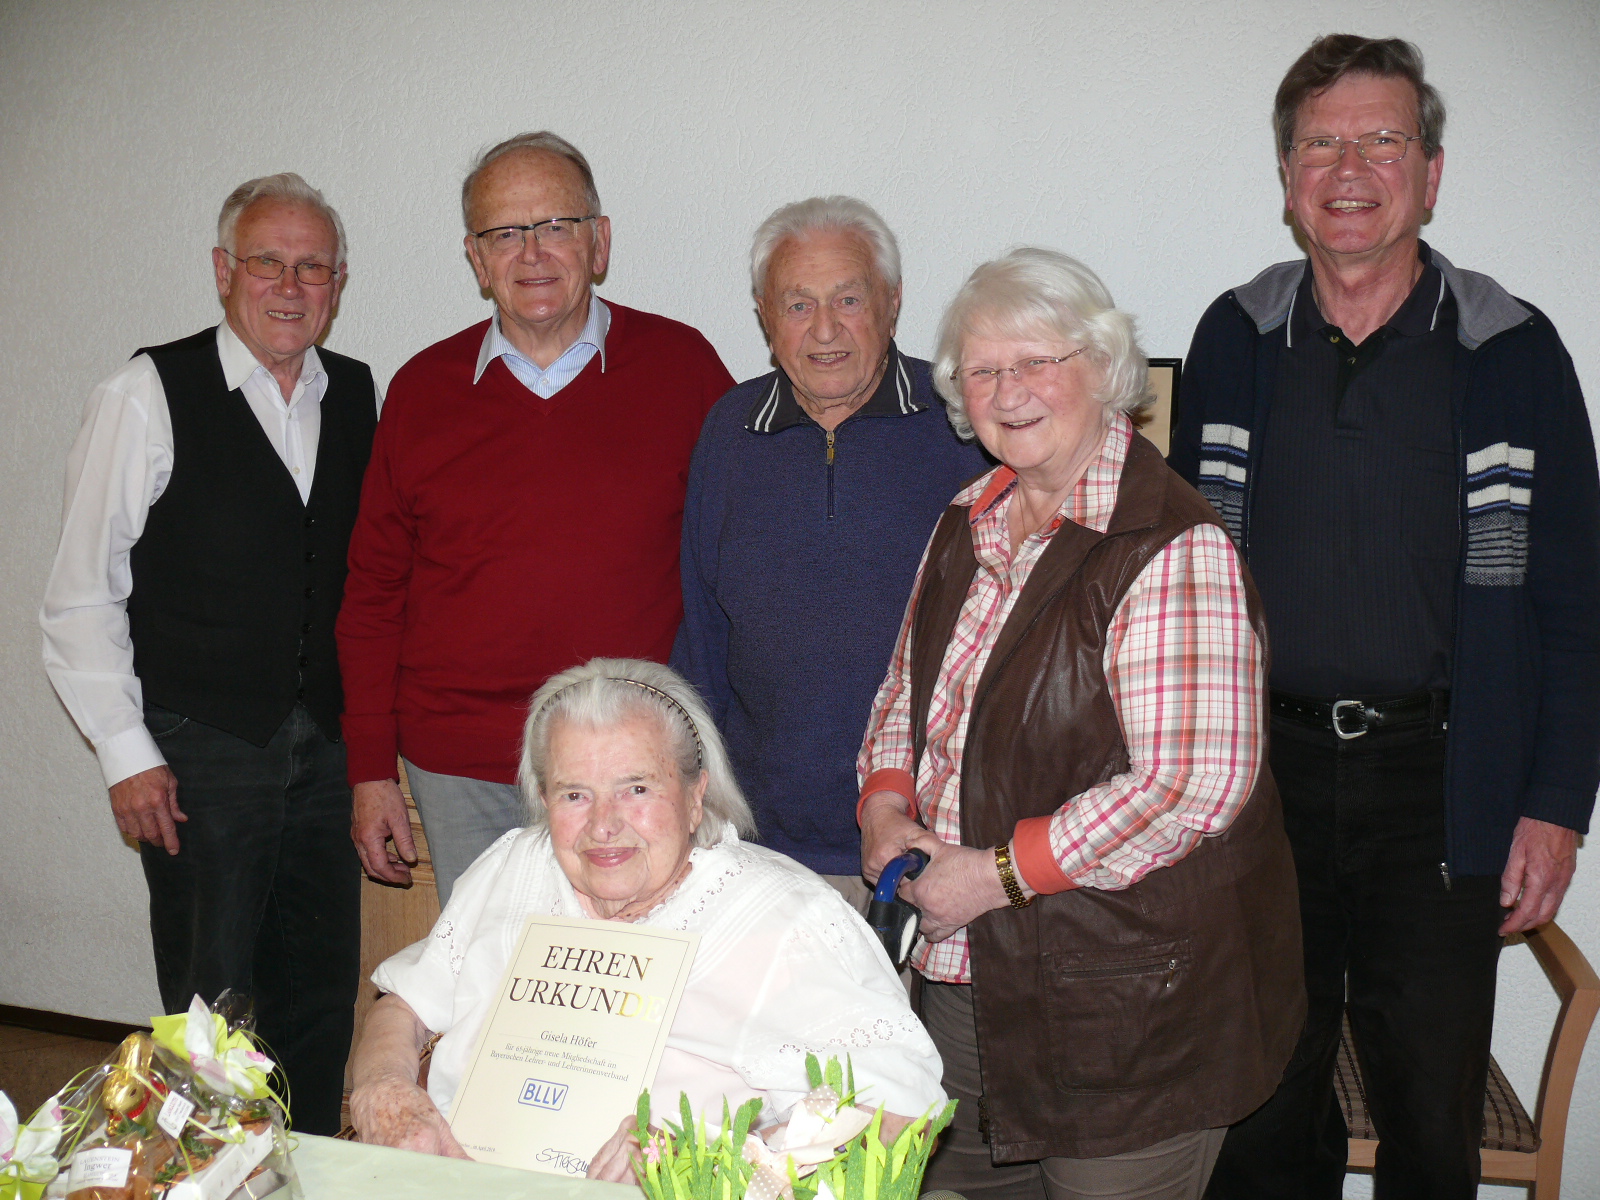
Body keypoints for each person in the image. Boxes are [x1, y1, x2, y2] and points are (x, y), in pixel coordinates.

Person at [1167, 35, 1600, 1199]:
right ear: (1286, 173)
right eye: (1321, 142)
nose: (1349, 165)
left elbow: (1574, 599)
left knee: (1425, 1112)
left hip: (1445, 790)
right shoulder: (1234, 339)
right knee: (1260, 1107)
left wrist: (1555, 807)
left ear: (1431, 170)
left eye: (1381, 139)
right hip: (1264, 781)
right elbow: (1179, 580)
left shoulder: (1510, 351)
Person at [857, 248, 1304, 1199]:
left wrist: (995, 875)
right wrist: (886, 810)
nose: (1008, 391)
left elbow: (1189, 785)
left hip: (1130, 1018)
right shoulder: (964, 522)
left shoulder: (1171, 547)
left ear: (1103, 370)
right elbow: (904, 694)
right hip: (968, 988)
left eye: (1037, 362)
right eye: (982, 371)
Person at [39, 173, 378, 1135]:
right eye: (267, 261)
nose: (289, 284)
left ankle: (309, 1169)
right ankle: (210, 1181)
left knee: (318, 995)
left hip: (326, 749)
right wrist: (125, 750)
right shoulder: (145, 393)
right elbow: (79, 593)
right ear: (224, 271)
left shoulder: (353, 391)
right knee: (212, 1005)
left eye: (313, 266)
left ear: (339, 282)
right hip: (199, 746)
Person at [348, 657, 946, 1181]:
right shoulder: (516, 866)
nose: (603, 825)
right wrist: (385, 1091)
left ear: (694, 797)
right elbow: (403, 1005)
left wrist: (717, 1164)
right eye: (573, 794)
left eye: (636, 788)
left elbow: (902, 1105)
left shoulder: (784, 916)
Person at [337, 131, 735, 906]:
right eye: (504, 234)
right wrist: (368, 770)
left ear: (599, 242)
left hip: (632, 764)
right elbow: (374, 592)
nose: (533, 253)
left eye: (556, 226)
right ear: (476, 260)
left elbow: (739, 565)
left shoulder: (684, 370)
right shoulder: (422, 391)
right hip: (462, 768)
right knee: (487, 989)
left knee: (633, 989)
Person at [671, 196, 989, 907]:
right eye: (797, 305)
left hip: (929, 846)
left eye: (848, 299)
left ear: (893, 302)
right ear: (762, 313)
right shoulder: (730, 432)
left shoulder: (965, 424)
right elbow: (702, 639)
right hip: (762, 845)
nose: (825, 331)